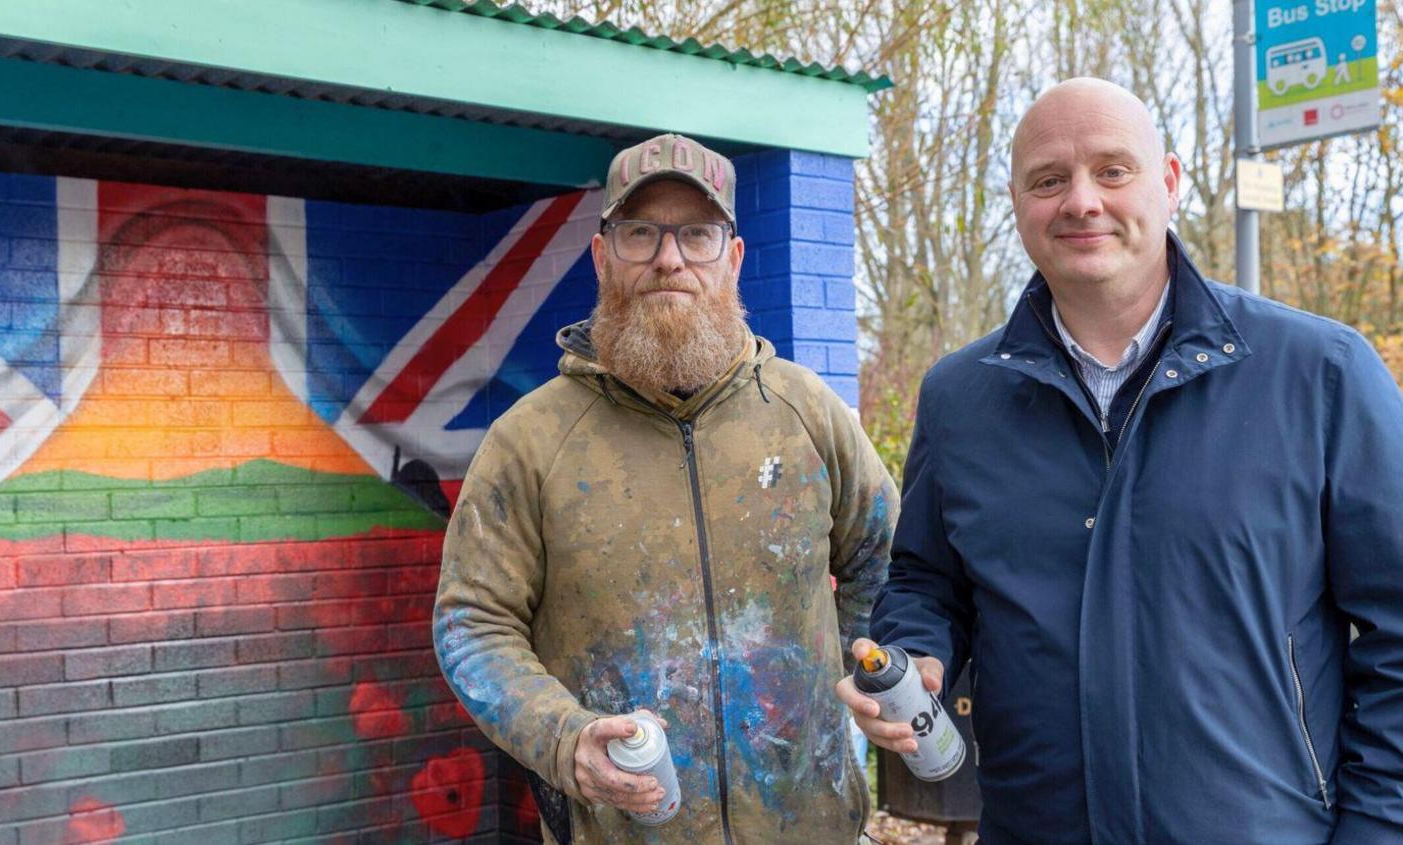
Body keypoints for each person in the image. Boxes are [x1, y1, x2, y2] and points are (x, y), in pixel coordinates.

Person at [837, 78, 1403, 844]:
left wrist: (1375, 829)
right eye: (1048, 179)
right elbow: (927, 580)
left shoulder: (1322, 374)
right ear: (1017, 203)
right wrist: (915, 652)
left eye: (1112, 170)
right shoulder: (959, 399)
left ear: (1168, 183)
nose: (1080, 201)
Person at [435, 133, 900, 845]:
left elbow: (886, 554)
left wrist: (854, 667)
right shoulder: (529, 442)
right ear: (601, 256)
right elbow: (472, 623)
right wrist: (565, 738)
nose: (669, 258)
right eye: (640, 233)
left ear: (734, 257)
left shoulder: (808, 413)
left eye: (698, 234)